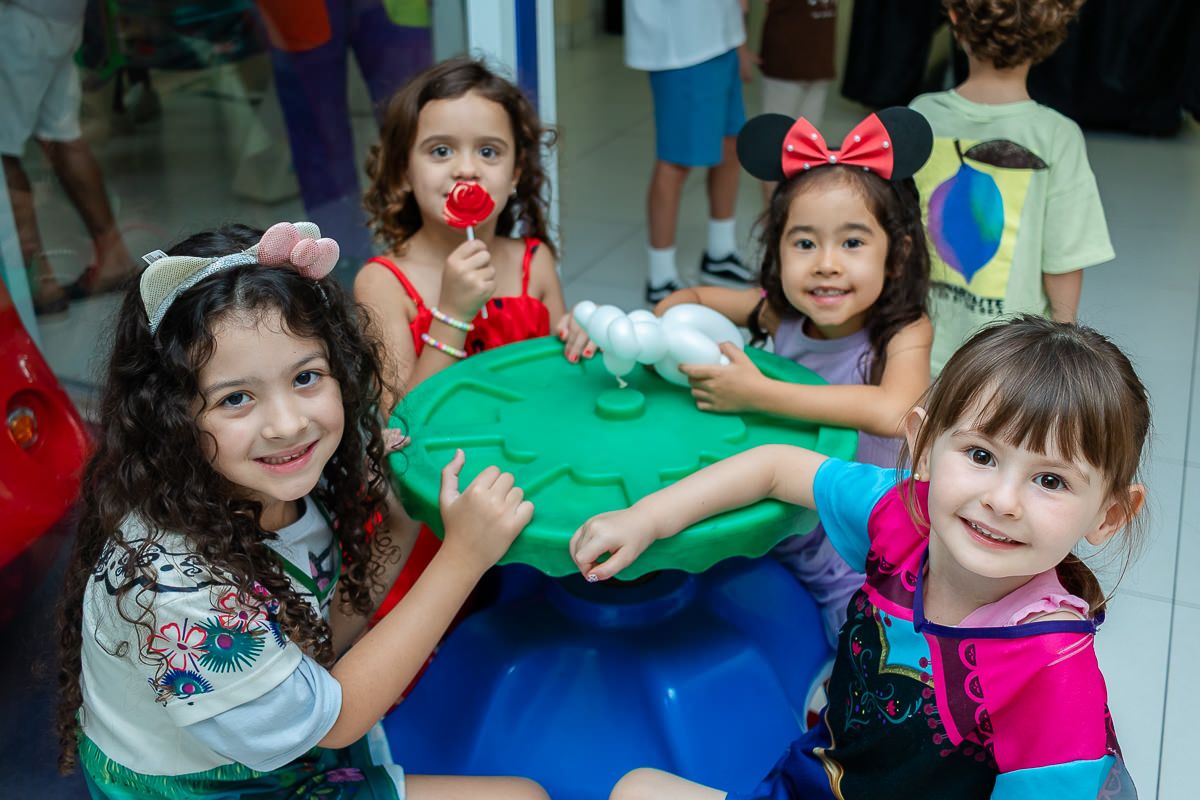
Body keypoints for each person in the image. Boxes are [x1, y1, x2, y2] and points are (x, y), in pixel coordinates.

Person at [54, 222, 548, 799]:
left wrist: (399, 508)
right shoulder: (174, 591)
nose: (287, 424)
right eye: (236, 398)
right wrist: (463, 558)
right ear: (172, 415)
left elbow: (321, 639)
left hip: (277, 745)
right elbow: (336, 721)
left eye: (306, 377)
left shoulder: (268, 490)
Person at [574, 316, 1146, 800]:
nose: (1002, 501)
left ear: (1109, 515)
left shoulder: (1050, 670)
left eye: (1050, 480)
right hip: (812, 778)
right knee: (634, 788)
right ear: (923, 446)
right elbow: (776, 465)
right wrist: (646, 517)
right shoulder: (905, 515)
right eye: (980, 454)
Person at [654, 107, 933, 641]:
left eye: (852, 243)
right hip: (777, 528)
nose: (826, 264)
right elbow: (689, 296)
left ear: (895, 256)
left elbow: (895, 412)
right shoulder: (781, 313)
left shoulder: (902, 329)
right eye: (804, 243)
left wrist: (758, 394)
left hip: (854, 555)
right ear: (777, 250)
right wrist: (660, 327)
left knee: (860, 652)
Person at [358, 56, 587, 412]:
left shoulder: (535, 262)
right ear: (403, 171)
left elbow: (561, 382)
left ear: (514, 174)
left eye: (488, 151)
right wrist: (453, 314)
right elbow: (400, 425)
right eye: (441, 150)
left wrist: (583, 334)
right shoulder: (382, 283)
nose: (466, 169)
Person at [910, 0, 1113, 375]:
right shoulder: (1056, 135)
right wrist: (1062, 339)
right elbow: (1063, 257)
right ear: (1051, 31)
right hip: (1010, 356)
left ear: (955, 17)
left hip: (915, 346)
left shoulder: (922, 115)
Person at [0, 0, 135, 315]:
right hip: (63, 18)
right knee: (64, 136)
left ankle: (40, 282)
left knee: (3, 152)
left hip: (17, 22)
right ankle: (113, 258)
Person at [623, 0, 756, 303]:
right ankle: (661, 277)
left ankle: (719, 254)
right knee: (676, 160)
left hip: (723, 32)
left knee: (731, 144)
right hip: (682, 44)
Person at [755, 0, 838, 205]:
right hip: (785, 65)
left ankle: (798, 207)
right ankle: (773, 216)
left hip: (819, 62)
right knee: (776, 144)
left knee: (809, 144)